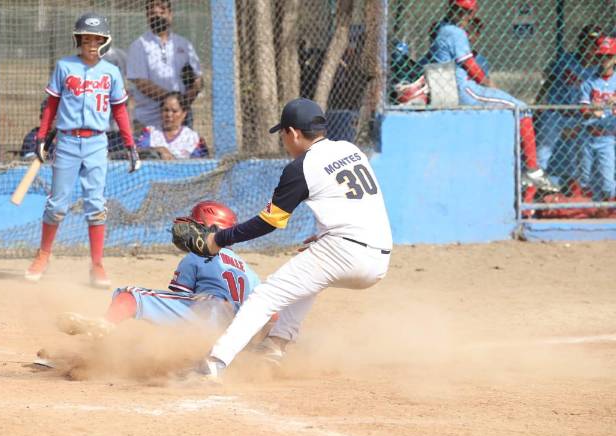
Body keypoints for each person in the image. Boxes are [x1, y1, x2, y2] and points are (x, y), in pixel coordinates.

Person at [181, 98, 393, 381]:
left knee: (264, 297)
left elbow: (270, 222)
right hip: (379, 259)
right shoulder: (350, 149)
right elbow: (362, 201)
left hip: (344, 251)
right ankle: (275, 346)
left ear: (293, 133)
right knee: (306, 276)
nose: (284, 142)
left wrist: (218, 239)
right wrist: (324, 235)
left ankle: (214, 364)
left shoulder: (302, 167)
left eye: (283, 134)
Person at [25, 12, 141, 288]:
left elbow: (120, 110)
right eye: (86, 39)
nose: (91, 44)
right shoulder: (65, 66)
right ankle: (43, 255)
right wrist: (41, 137)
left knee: (96, 204)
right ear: (78, 40)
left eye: (96, 39)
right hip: (67, 141)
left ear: (104, 42)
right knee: (57, 203)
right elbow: (51, 104)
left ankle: (97, 264)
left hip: (97, 143)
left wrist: (130, 145)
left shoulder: (111, 72)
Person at [55, 201, 261, 337]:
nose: (190, 231)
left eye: (198, 226)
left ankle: (105, 324)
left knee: (130, 295)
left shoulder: (198, 256)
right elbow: (269, 311)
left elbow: (179, 301)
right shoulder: (248, 270)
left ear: (213, 230)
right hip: (235, 331)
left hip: (207, 315)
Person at [428, 0, 558, 192]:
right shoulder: (454, 32)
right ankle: (532, 169)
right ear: (450, 8)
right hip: (462, 89)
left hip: (448, 88)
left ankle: (523, 169)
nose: (461, 15)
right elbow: (470, 65)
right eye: (458, 9)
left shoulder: (443, 28)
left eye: (465, 11)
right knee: (522, 108)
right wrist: (489, 84)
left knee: (506, 109)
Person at [535, 25, 602, 179]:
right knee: (543, 151)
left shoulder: (599, 69)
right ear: (580, 42)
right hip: (555, 112)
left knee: (579, 156)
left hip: (582, 117)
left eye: (594, 44)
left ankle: (576, 186)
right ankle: (536, 183)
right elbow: (549, 81)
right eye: (586, 42)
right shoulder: (566, 60)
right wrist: (538, 103)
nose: (590, 47)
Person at [127, 0, 203, 129]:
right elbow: (141, 83)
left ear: (170, 14)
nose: (157, 16)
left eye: (162, 11)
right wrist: (173, 101)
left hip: (181, 121)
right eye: (152, 12)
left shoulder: (184, 44)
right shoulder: (139, 45)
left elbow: (198, 80)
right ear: (147, 16)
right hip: (148, 122)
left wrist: (183, 103)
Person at [578, 36, 616, 201]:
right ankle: (591, 208)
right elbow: (583, 110)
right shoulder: (589, 82)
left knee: (608, 183)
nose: (604, 60)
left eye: (608, 56)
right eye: (600, 56)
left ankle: (609, 205)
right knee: (585, 179)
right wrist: (594, 111)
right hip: (588, 136)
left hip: (608, 137)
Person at [136, 92, 209, 159]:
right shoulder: (150, 132)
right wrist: (158, 150)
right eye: (166, 110)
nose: (169, 115)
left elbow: (202, 162)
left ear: (184, 114)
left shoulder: (193, 138)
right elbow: (136, 151)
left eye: (174, 111)